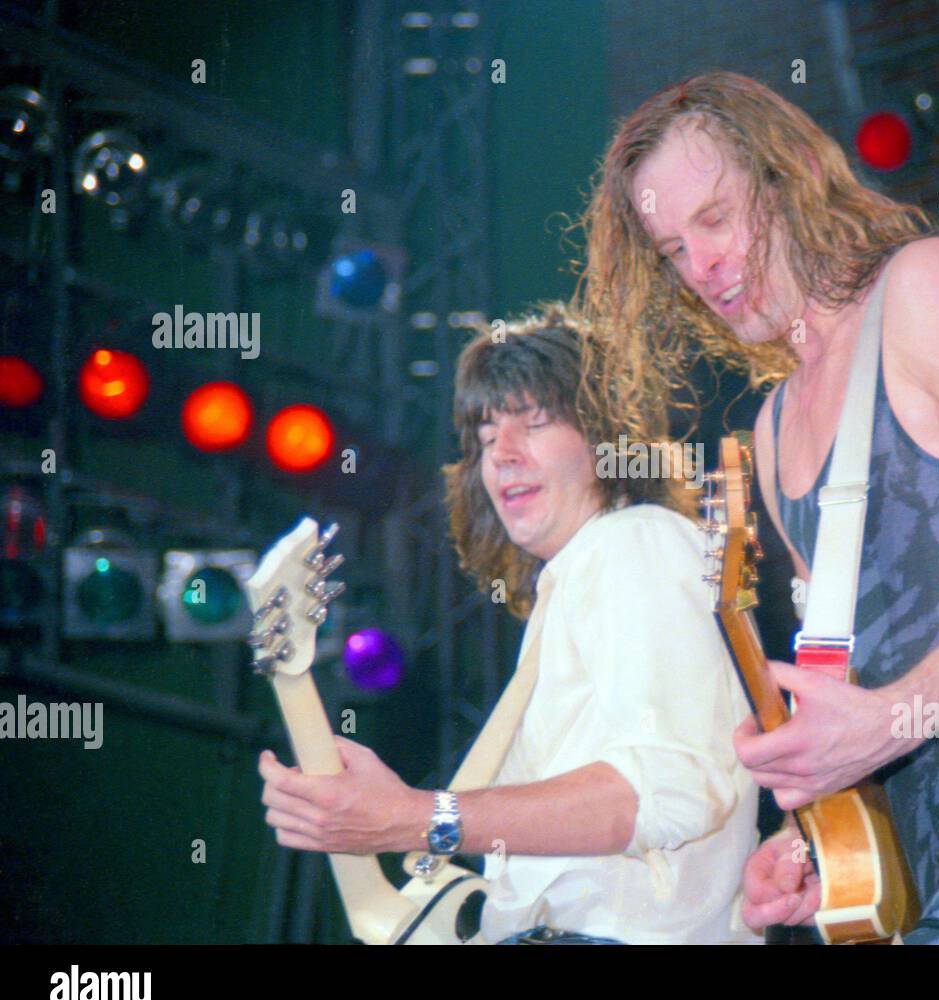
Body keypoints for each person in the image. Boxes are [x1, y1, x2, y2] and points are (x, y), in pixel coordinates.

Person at [576, 72, 939, 944]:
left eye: (715, 218)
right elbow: (851, 710)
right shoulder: (774, 431)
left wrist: (891, 721)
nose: (700, 266)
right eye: (672, 248)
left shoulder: (930, 288)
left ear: (790, 180)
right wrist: (815, 843)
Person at [258, 303, 762, 945]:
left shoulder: (635, 542)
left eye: (536, 422)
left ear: (607, 439)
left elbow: (672, 788)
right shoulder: (571, 584)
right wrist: (397, 814)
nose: (504, 455)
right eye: (487, 436)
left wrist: (421, 817)